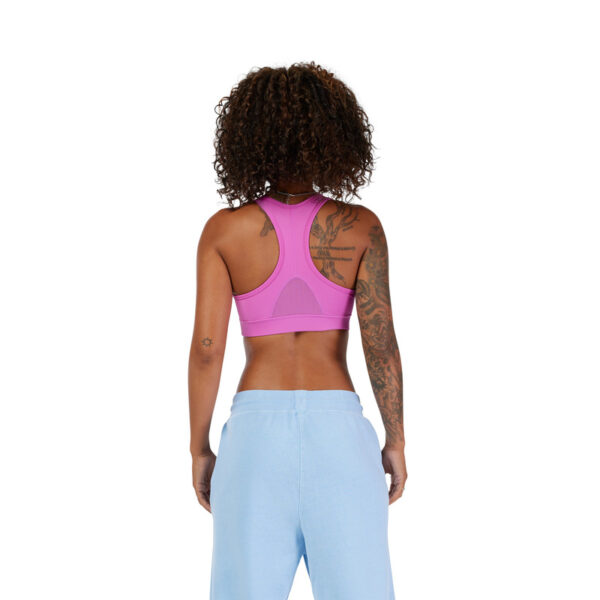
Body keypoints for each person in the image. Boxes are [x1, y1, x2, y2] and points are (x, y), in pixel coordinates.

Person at [188, 61, 406, 600]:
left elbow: (208, 349)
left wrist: (199, 448)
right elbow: (380, 343)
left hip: (255, 436)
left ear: (248, 138)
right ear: (334, 137)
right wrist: (396, 440)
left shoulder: (224, 231)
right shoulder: (361, 228)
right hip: (340, 433)